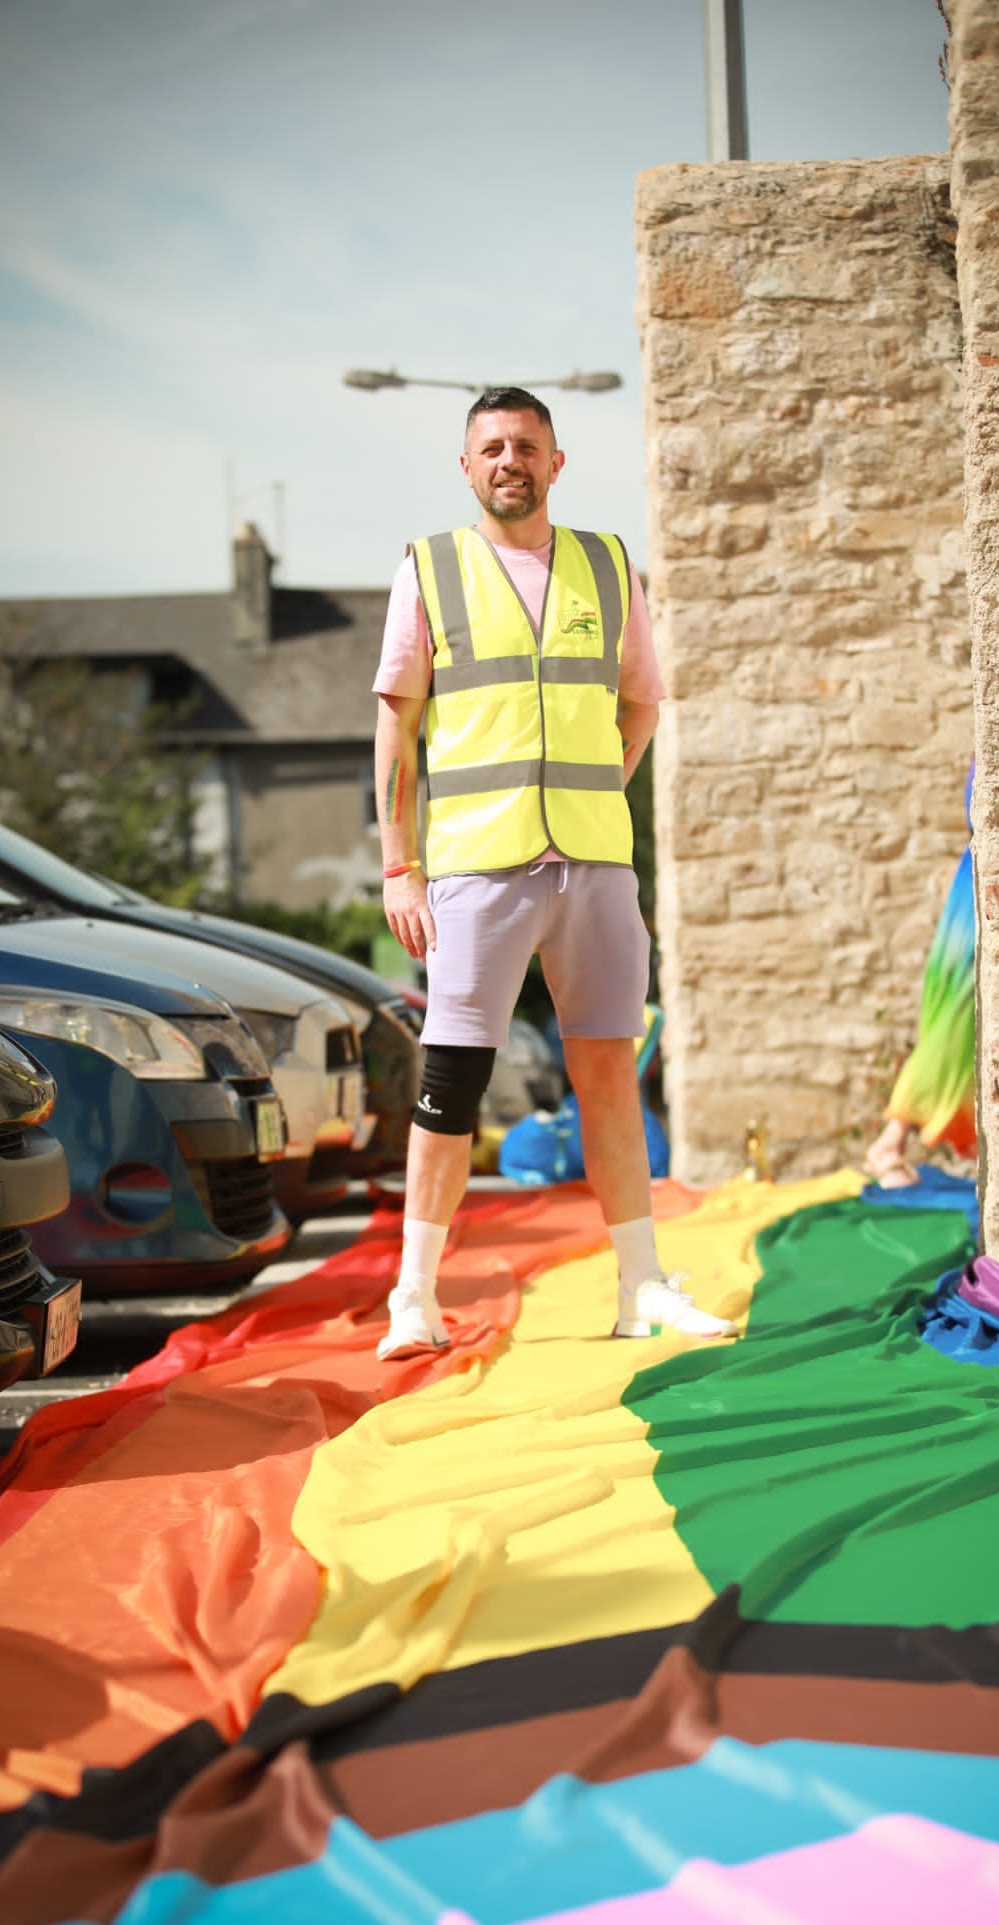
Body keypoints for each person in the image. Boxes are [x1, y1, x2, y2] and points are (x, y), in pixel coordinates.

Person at [371, 385, 739, 1359]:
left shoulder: (609, 566)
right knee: (451, 1074)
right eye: (491, 446)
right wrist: (397, 866)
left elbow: (642, 705)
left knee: (610, 1068)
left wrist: (586, 799)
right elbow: (396, 725)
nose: (509, 460)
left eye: (527, 445)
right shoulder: (430, 570)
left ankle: (643, 1287)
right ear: (466, 466)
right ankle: (414, 1294)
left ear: (556, 462)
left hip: (592, 867)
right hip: (471, 870)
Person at [864, 763, 977, 1188]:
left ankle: (894, 1142)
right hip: (973, 896)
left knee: (952, 1021)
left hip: (971, 889)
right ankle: (890, 1142)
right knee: (952, 1020)